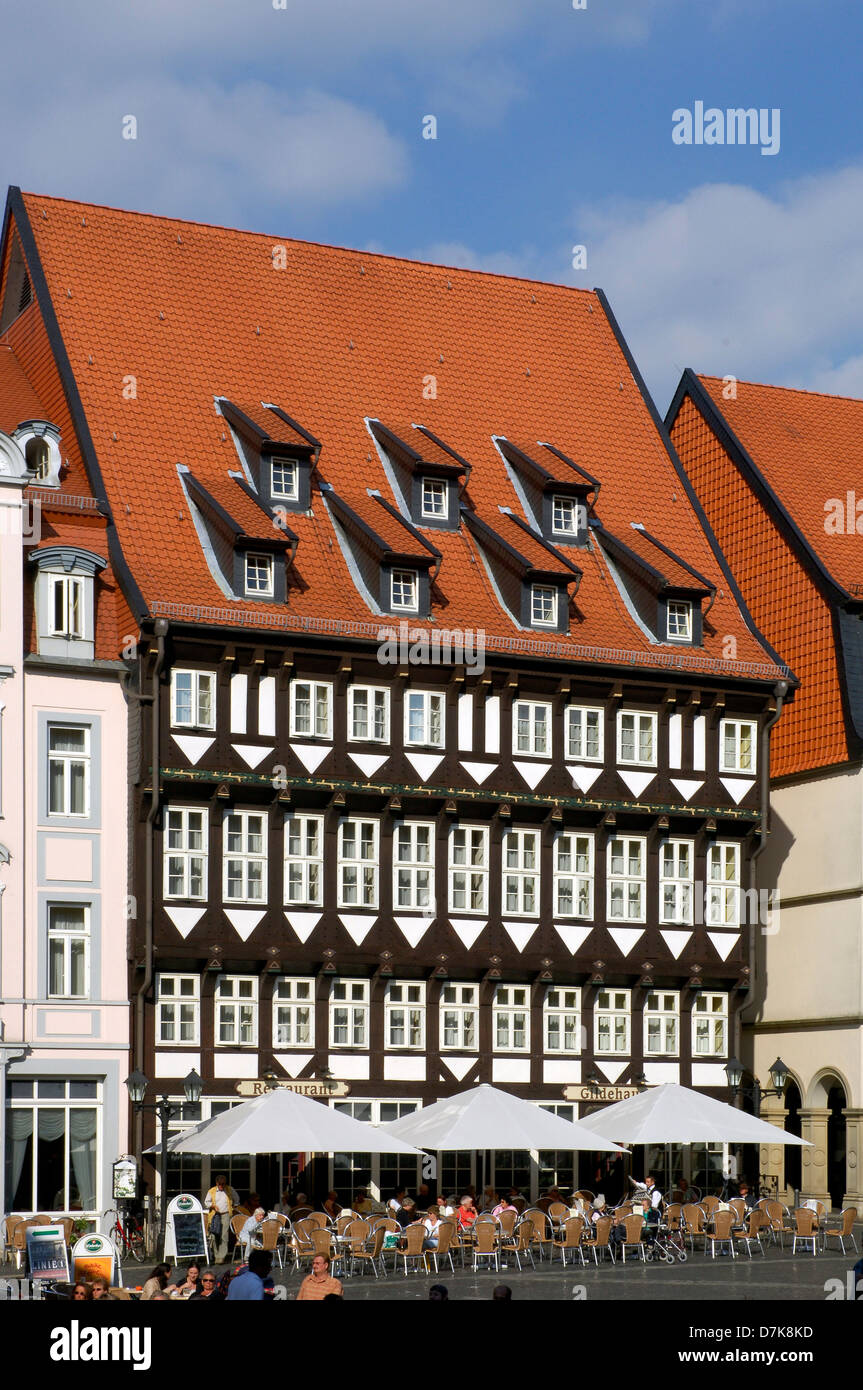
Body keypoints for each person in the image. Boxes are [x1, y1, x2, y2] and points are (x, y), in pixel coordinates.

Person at [204, 1173, 236, 1263]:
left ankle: (221, 1256)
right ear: (217, 1183)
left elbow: (236, 1199)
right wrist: (213, 1206)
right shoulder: (212, 1191)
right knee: (215, 1235)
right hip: (215, 1215)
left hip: (225, 1214)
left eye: (223, 1184)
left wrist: (234, 1205)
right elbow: (206, 1202)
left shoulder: (230, 1190)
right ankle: (216, 1254)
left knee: (224, 1235)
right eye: (220, 1184)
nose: (222, 1186)